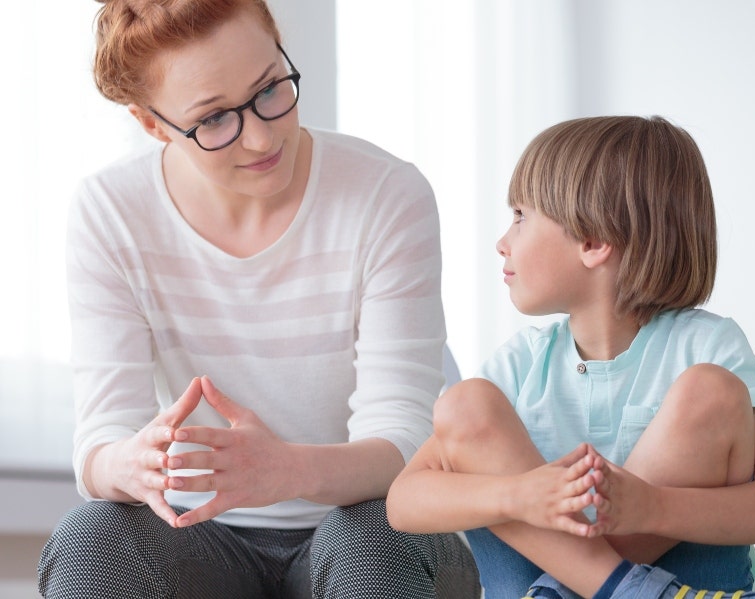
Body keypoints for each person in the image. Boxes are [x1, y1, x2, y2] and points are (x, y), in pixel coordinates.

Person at [36, 0, 479, 597]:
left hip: (357, 520)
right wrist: (131, 462)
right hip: (197, 537)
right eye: (215, 118)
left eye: (271, 87)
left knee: (379, 538)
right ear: (153, 124)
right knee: (96, 538)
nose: (263, 135)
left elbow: (403, 443)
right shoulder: (110, 212)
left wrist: (289, 469)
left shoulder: (386, 194)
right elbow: (99, 444)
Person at [386, 115, 755, 599]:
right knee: (465, 405)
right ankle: (623, 588)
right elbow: (403, 502)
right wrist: (521, 496)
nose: (503, 241)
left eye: (521, 217)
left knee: (709, 390)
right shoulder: (522, 365)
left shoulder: (706, 349)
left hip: (694, 585)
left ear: (592, 242)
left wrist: (652, 507)